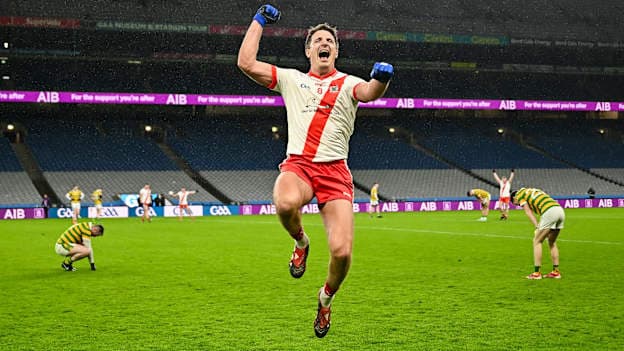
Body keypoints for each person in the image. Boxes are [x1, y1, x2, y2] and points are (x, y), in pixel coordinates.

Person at [238, 4, 393, 338]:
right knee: (284, 202)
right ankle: (301, 242)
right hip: (299, 165)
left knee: (342, 251)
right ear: (308, 50)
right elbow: (246, 64)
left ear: (336, 51)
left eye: (330, 41)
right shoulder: (292, 79)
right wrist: (258, 21)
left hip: (335, 173)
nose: (325, 44)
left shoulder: (349, 83)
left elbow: (369, 93)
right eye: (318, 40)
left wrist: (382, 79)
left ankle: (325, 300)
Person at [511, 187, 565, 280]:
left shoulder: (519, 195)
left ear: (514, 198)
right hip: (559, 210)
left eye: (516, 203)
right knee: (551, 242)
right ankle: (556, 272)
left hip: (549, 211)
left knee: (537, 241)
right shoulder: (532, 190)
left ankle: (537, 273)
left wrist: (537, 226)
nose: (519, 205)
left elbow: (528, 212)